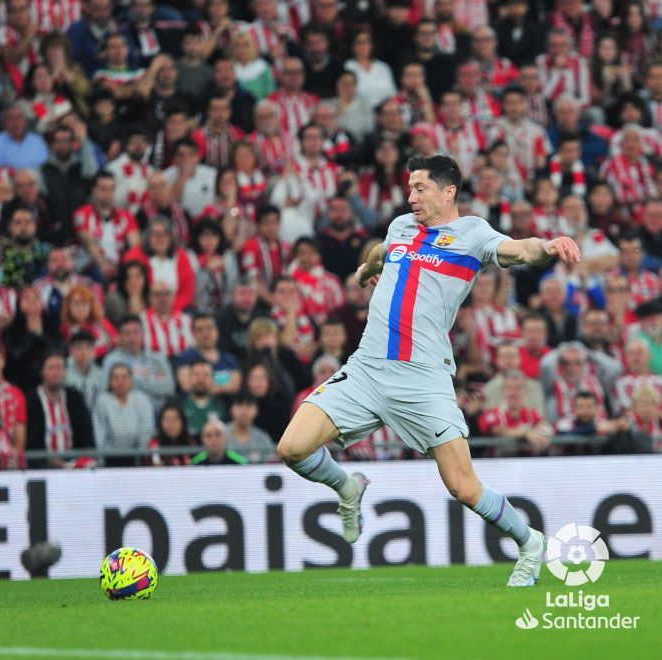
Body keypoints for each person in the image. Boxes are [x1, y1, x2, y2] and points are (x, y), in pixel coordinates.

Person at [278, 154, 582, 587]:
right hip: (366, 368)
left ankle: (530, 542)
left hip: (423, 377)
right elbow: (382, 252)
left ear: (448, 191)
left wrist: (548, 246)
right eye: (409, 187)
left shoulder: (473, 233)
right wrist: (368, 268)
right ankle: (347, 487)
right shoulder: (401, 226)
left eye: (420, 188)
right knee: (292, 448)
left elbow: (518, 249)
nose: (411, 196)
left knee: (463, 487)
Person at [26, 350, 94, 469]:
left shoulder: (74, 397)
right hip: (43, 465)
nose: (56, 373)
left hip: (74, 463)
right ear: (42, 372)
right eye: (51, 368)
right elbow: (32, 441)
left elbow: (86, 432)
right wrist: (56, 462)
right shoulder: (33, 400)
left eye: (59, 368)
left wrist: (79, 459)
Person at [92, 362, 156, 467]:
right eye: (116, 378)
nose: (120, 382)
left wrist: (140, 456)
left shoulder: (142, 399)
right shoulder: (102, 401)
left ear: (131, 381)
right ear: (110, 382)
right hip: (110, 456)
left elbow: (146, 429)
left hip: (136, 455)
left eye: (124, 377)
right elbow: (100, 433)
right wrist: (101, 460)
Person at [225, 391, 274, 463]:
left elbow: (270, 464)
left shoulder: (263, 438)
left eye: (249, 405)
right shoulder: (220, 435)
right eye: (239, 405)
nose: (244, 411)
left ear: (256, 410)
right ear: (231, 409)